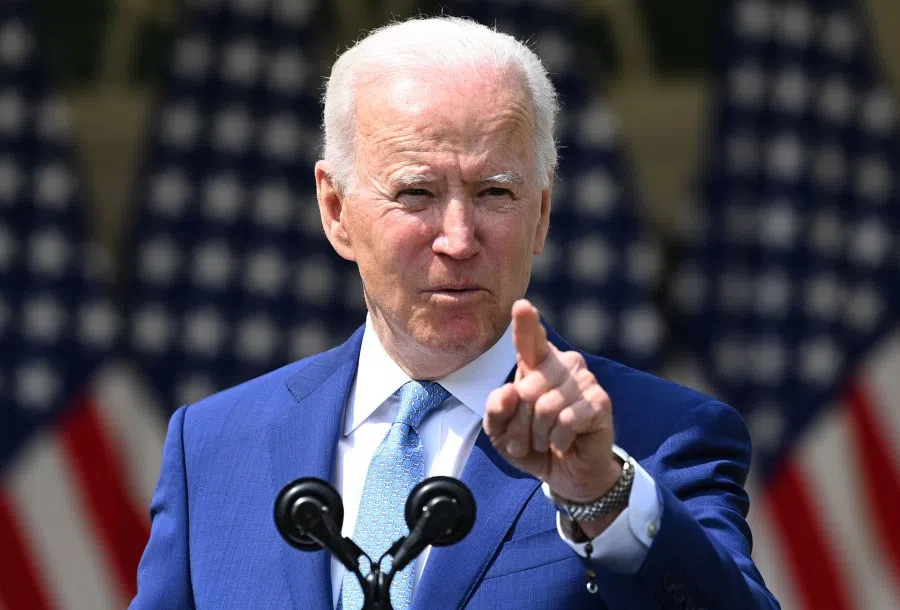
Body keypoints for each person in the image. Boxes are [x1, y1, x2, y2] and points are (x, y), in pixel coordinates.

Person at [131, 16, 779, 610]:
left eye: (494, 192)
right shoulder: (215, 448)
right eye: (416, 193)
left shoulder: (660, 435)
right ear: (335, 210)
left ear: (542, 214)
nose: (459, 239)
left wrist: (600, 494)